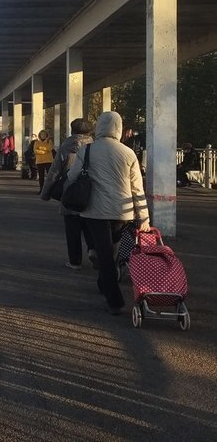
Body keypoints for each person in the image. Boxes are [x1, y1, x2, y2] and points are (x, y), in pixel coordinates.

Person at [66, 111, 150, 315]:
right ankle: (104, 283)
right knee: (110, 251)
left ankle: (114, 300)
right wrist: (144, 217)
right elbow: (137, 188)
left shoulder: (86, 150)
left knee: (104, 254)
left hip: (94, 211)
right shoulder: (128, 153)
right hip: (122, 211)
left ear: (99, 127)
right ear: (119, 128)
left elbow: (72, 175)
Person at [40, 118, 96, 269]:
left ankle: (75, 261)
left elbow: (54, 172)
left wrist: (45, 193)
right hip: (91, 192)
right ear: (90, 131)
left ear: (72, 130)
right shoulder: (96, 147)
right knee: (91, 225)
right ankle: (93, 249)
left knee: (72, 229)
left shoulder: (65, 147)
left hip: (70, 192)